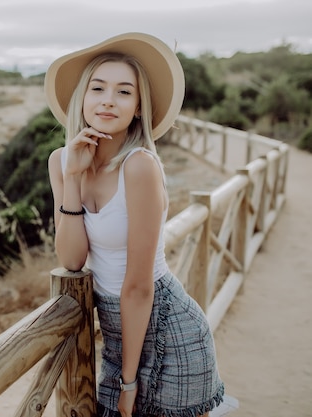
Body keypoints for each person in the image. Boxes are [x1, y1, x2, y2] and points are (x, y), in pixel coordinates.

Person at [45, 33, 225, 417]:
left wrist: (128, 383)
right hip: (117, 337)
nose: (108, 99)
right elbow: (72, 260)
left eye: (124, 92)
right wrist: (74, 178)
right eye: (98, 88)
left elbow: (139, 287)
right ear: (82, 97)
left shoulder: (139, 167)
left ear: (139, 108)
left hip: (168, 332)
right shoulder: (61, 161)